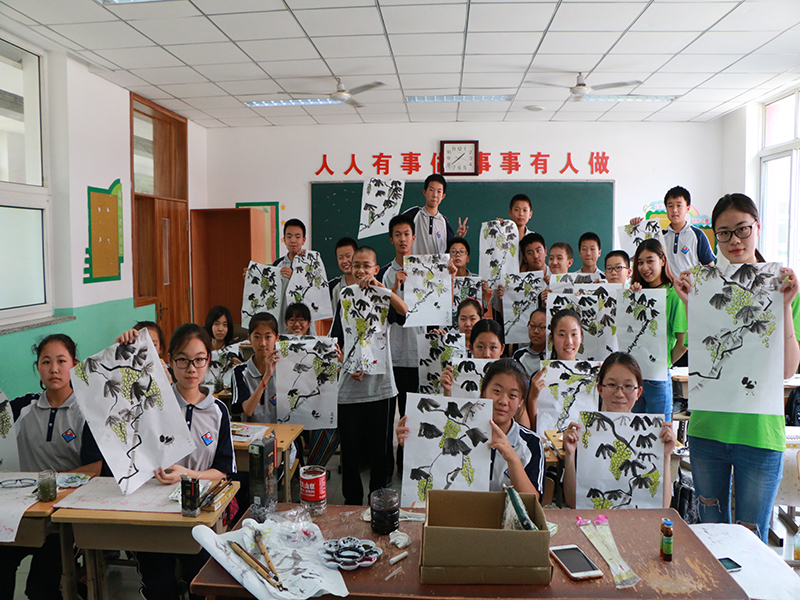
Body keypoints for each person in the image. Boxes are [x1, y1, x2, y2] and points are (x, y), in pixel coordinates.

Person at [674, 193, 799, 544]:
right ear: (714, 236)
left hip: (759, 434)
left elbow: (788, 370)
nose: (735, 240)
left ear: (757, 227)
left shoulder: (783, 283)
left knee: (751, 540)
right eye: (724, 233)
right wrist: (690, 303)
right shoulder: (704, 285)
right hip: (708, 432)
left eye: (742, 229)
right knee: (713, 537)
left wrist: (784, 306)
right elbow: (708, 353)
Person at [83, 324, 236, 600]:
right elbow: (118, 394)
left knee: (200, 581)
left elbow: (223, 472)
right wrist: (124, 348)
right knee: (158, 586)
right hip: (152, 511)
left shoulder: (218, 411)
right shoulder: (152, 401)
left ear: (208, 360)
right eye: (182, 360)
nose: (191, 368)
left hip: (198, 513)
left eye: (199, 360)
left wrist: (187, 474)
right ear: (169, 360)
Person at [1, 335, 85, 600]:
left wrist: (58, 485)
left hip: (66, 517)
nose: (54, 369)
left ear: (74, 365)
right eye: (46, 362)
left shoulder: (86, 412)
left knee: (39, 588)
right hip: (25, 513)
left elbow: (95, 467)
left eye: (61, 361)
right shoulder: (23, 408)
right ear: (37, 367)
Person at [398, 358, 544, 498]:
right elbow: (433, 468)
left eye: (512, 395)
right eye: (497, 391)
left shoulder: (531, 443)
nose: (503, 401)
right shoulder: (459, 432)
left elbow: (533, 500)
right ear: (483, 391)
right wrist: (411, 446)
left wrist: (512, 458)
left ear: (521, 402)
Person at [331, 245, 408, 505]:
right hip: (349, 388)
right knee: (350, 450)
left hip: (381, 388)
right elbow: (337, 341)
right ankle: (351, 501)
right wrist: (346, 364)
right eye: (357, 265)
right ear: (351, 269)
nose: (361, 270)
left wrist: (381, 287)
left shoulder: (383, 296)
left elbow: (404, 312)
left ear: (376, 269)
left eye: (366, 266)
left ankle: (378, 499)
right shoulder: (345, 295)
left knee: (380, 449)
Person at [562, 352, 675, 509]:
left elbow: (663, 505)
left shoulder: (651, 434)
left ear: (638, 392)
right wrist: (569, 455)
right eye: (612, 385)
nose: (619, 393)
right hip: (595, 520)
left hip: (638, 520)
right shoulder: (585, 433)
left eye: (628, 386)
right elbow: (573, 502)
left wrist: (666, 456)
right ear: (600, 389)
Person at [380, 214, 424, 477]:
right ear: (391, 239)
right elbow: (385, 315)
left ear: (414, 237)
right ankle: (386, 466)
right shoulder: (386, 274)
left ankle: (407, 465)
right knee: (389, 417)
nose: (402, 239)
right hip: (393, 354)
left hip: (418, 354)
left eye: (406, 234)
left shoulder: (426, 270)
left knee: (412, 414)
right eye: (397, 234)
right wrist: (395, 287)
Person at [629, 238, 687, 420]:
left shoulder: (674, 294)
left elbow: (682, 343)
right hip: (632, 376)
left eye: (650, 261)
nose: (644, 267)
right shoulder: (637, 293)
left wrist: (665, 363)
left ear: (662, 260)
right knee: (634, 428)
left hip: (657, 376)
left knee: (659, 430)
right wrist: (632, 296)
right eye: (640, 263)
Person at [630, 186, 715, 275]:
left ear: (688, 208)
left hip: (690, 283)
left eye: (679, 205)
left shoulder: (697, 235)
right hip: (666, 284)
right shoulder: (660, 235)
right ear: (666, 209)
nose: (674, 210)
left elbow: (709, 266)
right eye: (670, 206)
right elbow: (640, 255)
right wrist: (635, 227)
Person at [526, 308, 584, 431]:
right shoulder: (538, 377)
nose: (569, 342)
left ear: (581, 337)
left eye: (574, 334)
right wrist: (532, 398)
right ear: (552, 339)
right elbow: (534, 427)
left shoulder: (592, 376)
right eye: (562, 335)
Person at [231, 312, 280, 423]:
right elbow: (248, 410)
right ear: (249, 338)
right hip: (252, 432)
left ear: (277, 338)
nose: (262, 343)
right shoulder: (240, 371)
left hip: (283, 431)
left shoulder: (285, 369)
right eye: (257, 337)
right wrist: (267, 375)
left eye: (268, 337)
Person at [403, 174, 467, 255]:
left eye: (439, 191)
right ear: (424, 192)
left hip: (438, 263)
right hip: (414, 262)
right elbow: (396, 229)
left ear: (443, 196)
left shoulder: (443, 221)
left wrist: (458, 237)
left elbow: (450, 248)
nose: (435, 195)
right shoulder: (414, 214)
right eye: (431, 190)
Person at [273, 218, 308, 331]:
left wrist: (295, 277)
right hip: (282, 318)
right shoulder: (277, 265)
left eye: (297, 237)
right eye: (289, 237)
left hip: (303, 322)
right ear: (284, 240)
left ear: (303, 240)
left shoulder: (310, 264)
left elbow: (315, 291)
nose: (293, 240)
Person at [203, 306, 242, 390]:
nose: (220, 329)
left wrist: (240, 366)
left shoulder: (235, 351)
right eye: (216, 324)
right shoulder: (202, 348)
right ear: (210, 324)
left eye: (225, 325)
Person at [513, 308, 547, 377]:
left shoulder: (558, 354)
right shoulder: (519, 356)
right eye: (532, 326)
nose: (536, 331)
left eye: (541, 327)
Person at [328, 236, 358, 309]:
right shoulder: (331, 287)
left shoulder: (370, 284)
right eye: (340, 257)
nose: (344, 261)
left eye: (348, 256)